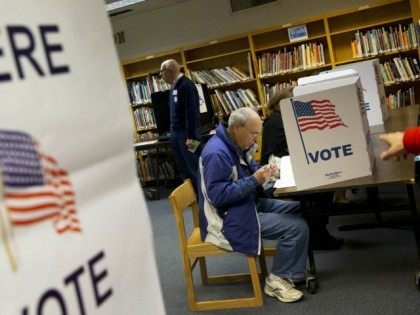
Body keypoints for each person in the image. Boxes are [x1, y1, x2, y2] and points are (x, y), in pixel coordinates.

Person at [198, 107, 308, 303]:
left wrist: (264, 172)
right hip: (225, 218)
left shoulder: (235, 144)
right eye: (254, 133)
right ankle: (277, 279)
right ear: (238, 127)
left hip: (245, 204)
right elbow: (218, 196)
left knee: (302, 209)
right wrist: (255, 180)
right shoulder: (216, 153)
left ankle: (291, 267)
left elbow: (247, 171)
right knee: (296, 226)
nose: (256, 139)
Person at [260, 87, 344, 250]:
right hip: (275, 177)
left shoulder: (285, 118)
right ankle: (317, 233)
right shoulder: (275, 122)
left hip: (289, 168)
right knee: (321, 184)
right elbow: (279, 153)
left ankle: (318, 230)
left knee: (326, 180)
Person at [160, 59, 201, 192]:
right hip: (176, 135)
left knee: (193, 168)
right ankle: (192, 197)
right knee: (183, 168)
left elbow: (192, 113)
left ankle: (201, 199)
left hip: (188, 136)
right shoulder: (173, 86)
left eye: (162, 72)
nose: (161, 75)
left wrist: (191, 137)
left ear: (169, 70)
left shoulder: (186, 85)